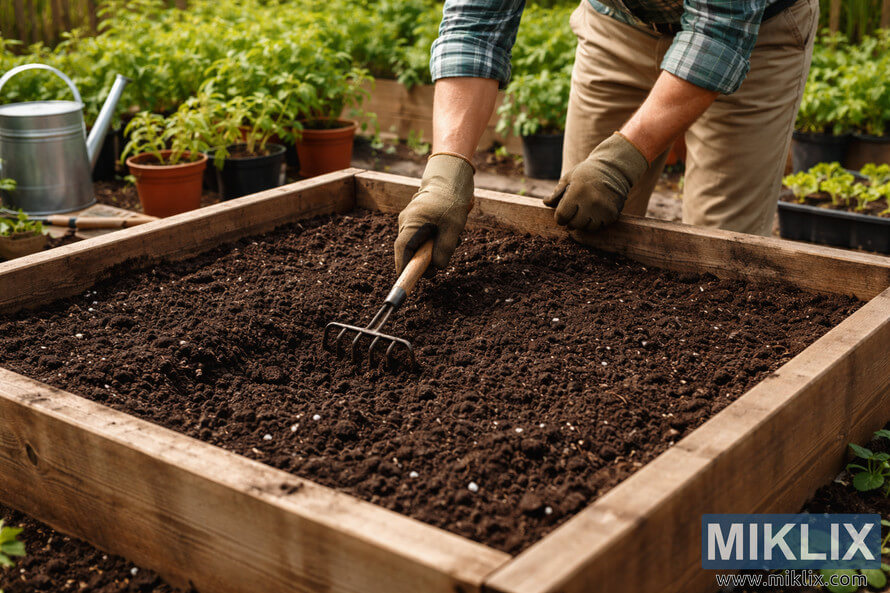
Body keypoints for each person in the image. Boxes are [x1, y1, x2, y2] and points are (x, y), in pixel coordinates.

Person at [393, 0, 819, 274]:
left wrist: (621, 160)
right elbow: (475, 27)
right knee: (583, 230)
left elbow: (718, 34)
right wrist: (445, 175)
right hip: (618, 24)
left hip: (756, 33)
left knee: (721, 259)